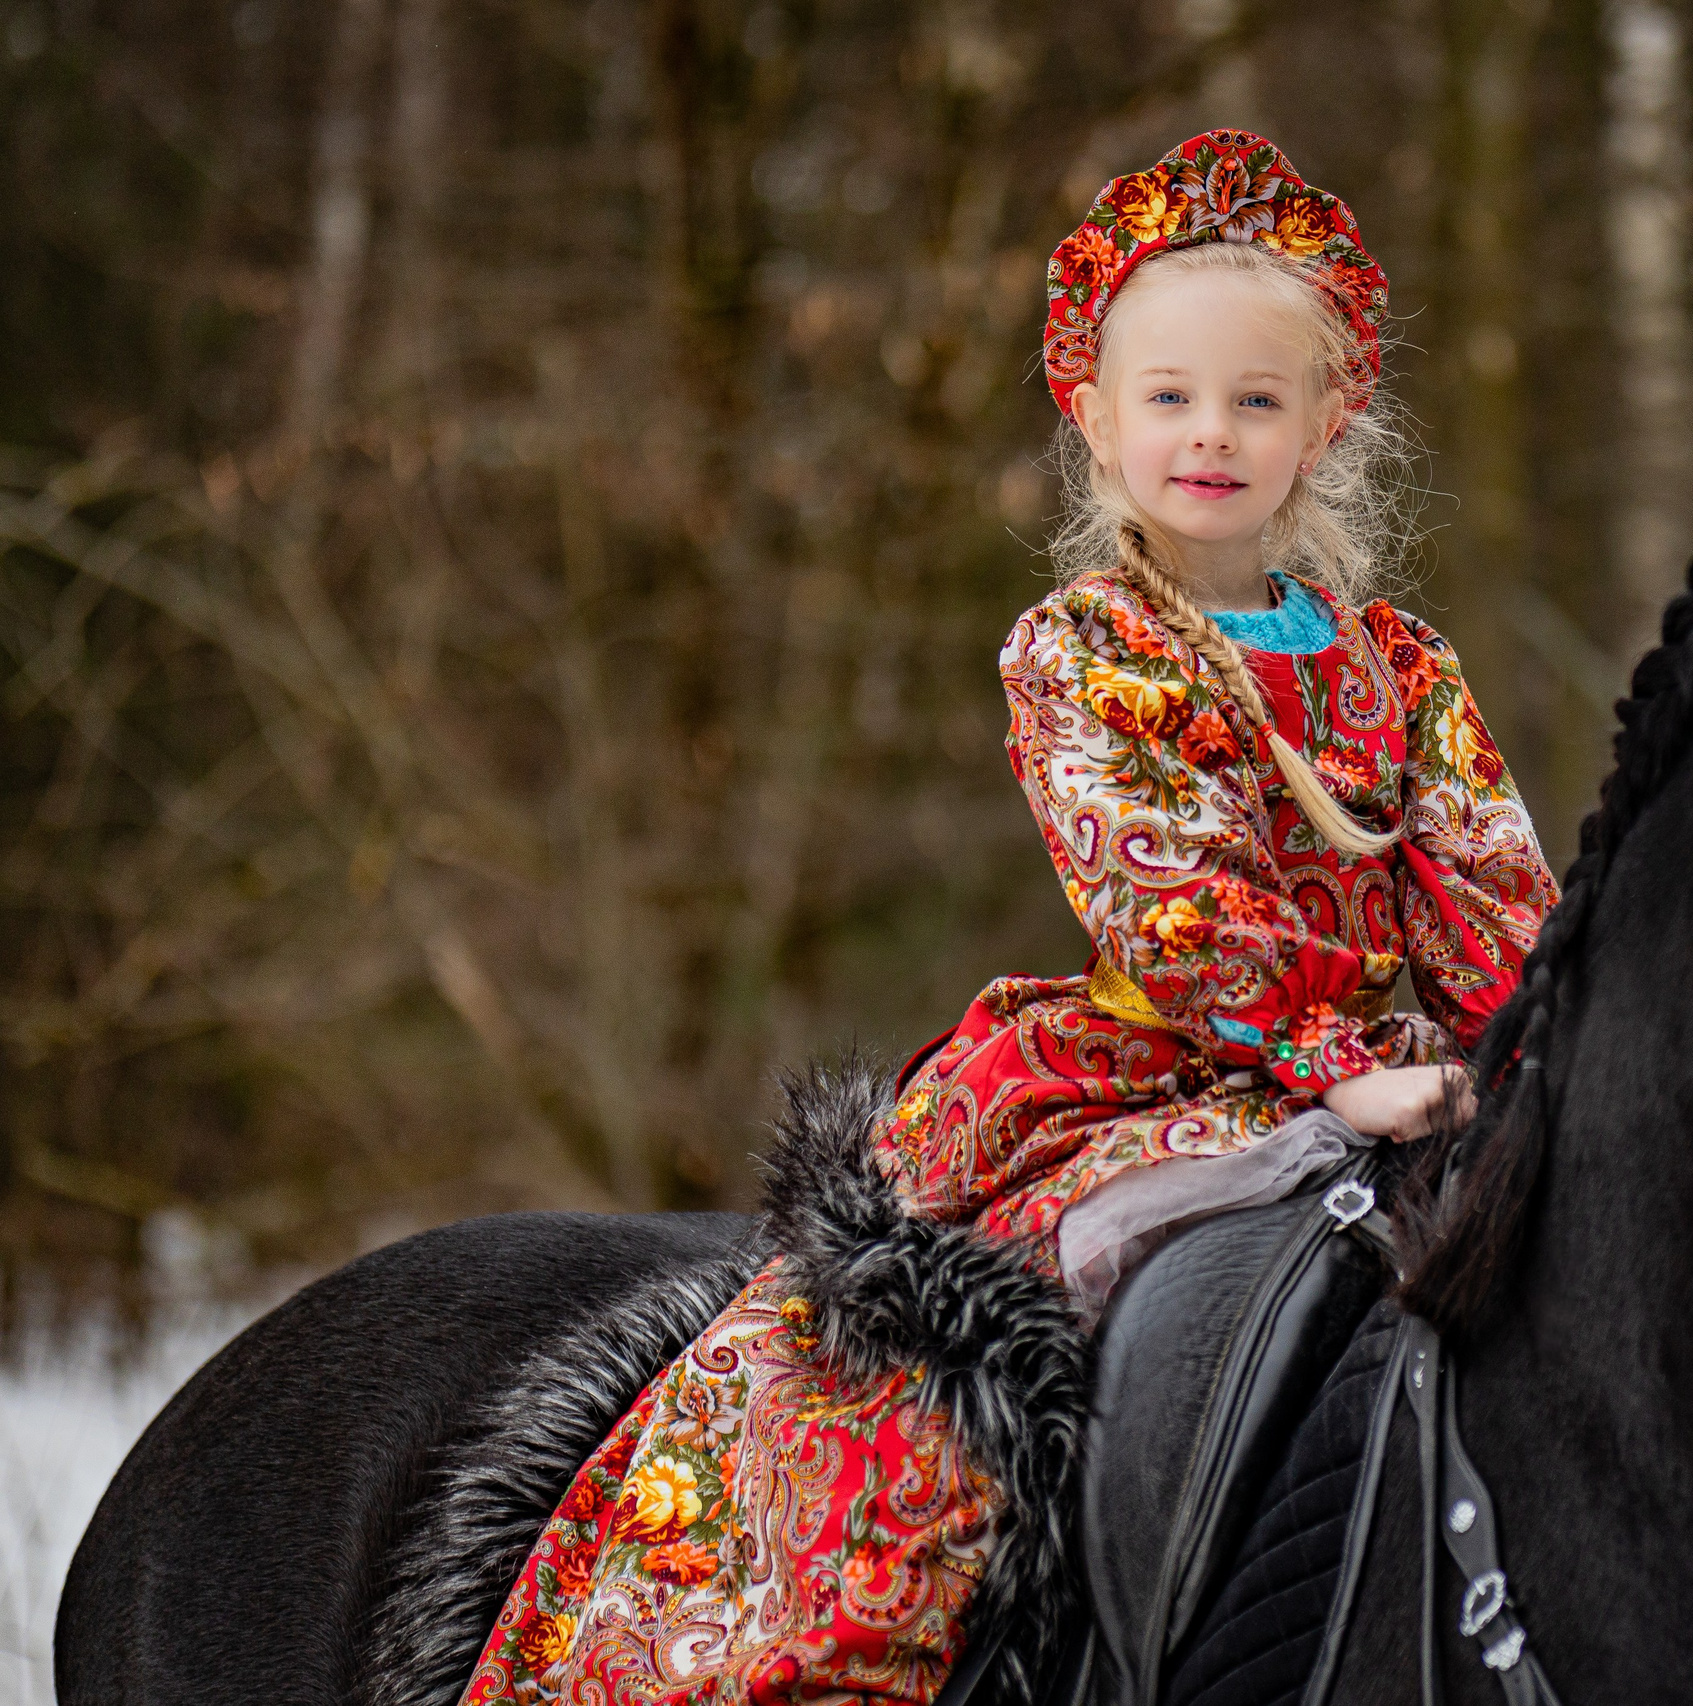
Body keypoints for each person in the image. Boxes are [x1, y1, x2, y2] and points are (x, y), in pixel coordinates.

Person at [460, 129, 1558, 1706]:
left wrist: (1528, 1031)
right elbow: (1168, 896)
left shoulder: (1403, 661)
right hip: (1172, 1071)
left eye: (1256, 400)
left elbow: (1487, 873)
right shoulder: (1088, 646)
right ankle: (902, 1649)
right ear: (1098, 420)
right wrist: (1330, 1064)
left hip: (1393, 1061)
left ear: (1327, 422)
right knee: (959, 1363)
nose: (1212, 433)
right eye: (1170, 397)